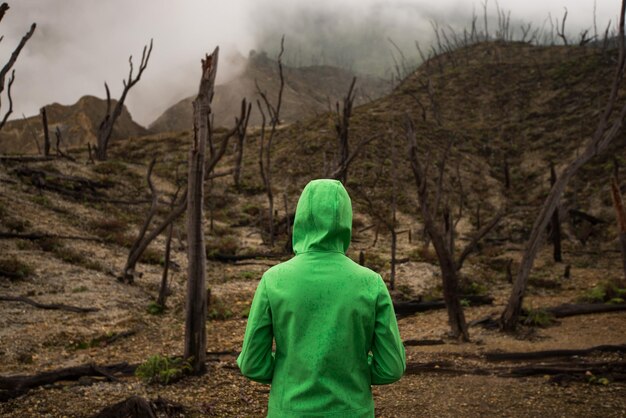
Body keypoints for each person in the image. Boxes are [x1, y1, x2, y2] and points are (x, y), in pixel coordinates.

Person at [237, 179, 405, 417]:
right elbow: (391, 368)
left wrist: (292, 371)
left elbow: (252, 364)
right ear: (346, 220)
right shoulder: (371, 283)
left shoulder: (273, 280)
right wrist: (351, 369)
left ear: (301, 217)